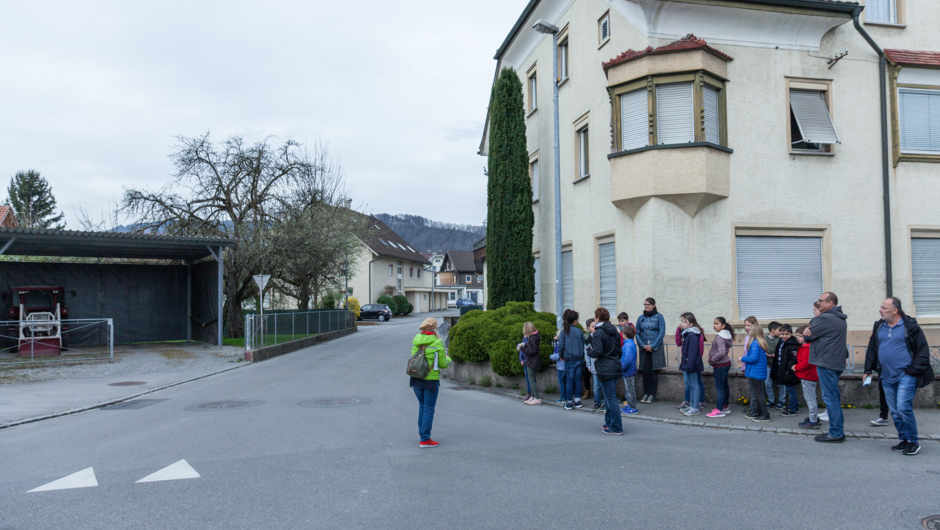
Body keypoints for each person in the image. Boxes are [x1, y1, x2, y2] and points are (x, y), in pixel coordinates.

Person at [863, 298, 936, 456]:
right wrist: (867, 369)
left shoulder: (910, 327)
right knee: (895, 411)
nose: (880, 310)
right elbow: (872, 349)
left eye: (884, 307)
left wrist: (911, 371)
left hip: (906, 375)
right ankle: (904, 439)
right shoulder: (879, 326)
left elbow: (922, 351)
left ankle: (913, 441)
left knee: (903, 408)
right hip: (886, 375)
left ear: (895, 310)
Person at [803, 292, 848, 443]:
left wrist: (806, 332)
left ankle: (835, 433)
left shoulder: (826, 318)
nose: (818, 303)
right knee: (833, 397)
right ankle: (838, 431)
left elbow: (808, 336)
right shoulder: (839, 318)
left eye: (821, 301)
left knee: (830, 398)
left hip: (826, 362)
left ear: (830, 303)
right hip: (835, 362)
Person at [411, 318, 452, 448]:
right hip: (430, 381)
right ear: (434, 329)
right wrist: (448, 358)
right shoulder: (437, 342)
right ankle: (425, 439)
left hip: (416, 378)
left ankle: (422, 434)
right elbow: (442, 364)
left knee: (422, 407)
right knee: (428, 408)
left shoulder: (416, 340)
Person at [589, 308, 624, 435]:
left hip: (604, 368)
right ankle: (609, 423)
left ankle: (616, 427)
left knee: (610, 399)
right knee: (610, 398)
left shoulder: (599, 333)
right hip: (615, 366)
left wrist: (589, 351)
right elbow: (620, 351)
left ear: (597, 318)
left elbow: (597, 351)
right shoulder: (615, 332)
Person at [636, 298, 666, 404]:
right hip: (644, 348)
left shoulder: (659, 317)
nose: (646, 306)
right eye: (645, 304)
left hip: (655, 348)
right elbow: (637, 332)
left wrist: (652, 346)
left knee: (653, 371)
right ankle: (646, 393)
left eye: (648, 304)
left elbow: (661, 332)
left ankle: (652, 394)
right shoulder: (641, 318)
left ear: (653, 305)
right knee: (645, 371)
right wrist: (643, 345)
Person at [741, 317, 770, 422]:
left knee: (759, 394)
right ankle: (758, 412)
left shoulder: (754, 343)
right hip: (758, 372)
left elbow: (753, 358)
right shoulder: (760, 342)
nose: (747, 329)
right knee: (759, 393)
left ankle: (765, 414)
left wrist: (742, 359)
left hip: (755, 372)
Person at [706, 317, 734, 418]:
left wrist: (712, 359)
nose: (714, 325)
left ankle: (719, 409)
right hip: (725, 364)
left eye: (717, 324)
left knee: (720, 387)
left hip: (720, 365)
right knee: (724, 386)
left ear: (723, 326)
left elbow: (721, 352)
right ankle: (724, 406)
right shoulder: (725, 335)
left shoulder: (720, 337)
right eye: (714, 323)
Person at [558, 310, 586, 410]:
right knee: (578, 379)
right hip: (579, 358)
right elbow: (584, 344)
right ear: (574, 321)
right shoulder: (579, 331)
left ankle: (569, 401)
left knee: (569, 379)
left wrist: (561, 355)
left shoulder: (563, 332)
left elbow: (561, 345)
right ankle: (577, 400)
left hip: (569, 359)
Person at [678, 313, 705, 416]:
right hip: (689, 363)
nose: (682, 324)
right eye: (683, 321)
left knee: (694, 385)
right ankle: (692, 405)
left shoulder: (692, 334)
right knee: (691, 385)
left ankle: (695, 408)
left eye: (685, 322)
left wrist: (689, 364)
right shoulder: (688, 333)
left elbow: (692, 351)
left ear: (691, 324)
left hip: (692, 364)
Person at [794, 324, 820, 429]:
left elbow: (806, 363)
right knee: (811, 397)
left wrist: (796, 367)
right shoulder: (811, 346)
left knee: (810, 399)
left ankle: (813, 420)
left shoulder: (806, 347)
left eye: (800, 336)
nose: (798, 338)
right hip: (812, 375)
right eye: (797, 336)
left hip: (807, 376)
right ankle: (813, 417)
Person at [774, 324, 801, 416]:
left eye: (787, 334)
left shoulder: (793, 344)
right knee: (789, 389)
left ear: (791, 334)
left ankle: (793, 408)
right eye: (782, 334)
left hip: (789, 371)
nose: (784, 336)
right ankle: (794, 406)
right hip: (782, 369)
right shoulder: (781, 341)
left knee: (790, 389)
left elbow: (793, 359)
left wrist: (788, 370)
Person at [519, 322, 542, 405]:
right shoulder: (534, 337)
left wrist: (522, 348)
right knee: (531, 379)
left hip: (532, 361)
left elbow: (532, 351)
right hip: (532, 361)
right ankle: (533, 396)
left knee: (531, 379)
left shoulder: (532, 338)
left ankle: (537, 398)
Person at [620, 325, 639, 415]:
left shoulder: (627, 345)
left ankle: (633, 407)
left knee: (630, 390)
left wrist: (622, 368)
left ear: (624, 334)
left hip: (628, 371)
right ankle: (630, 405)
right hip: (629, 370)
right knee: (628, 390)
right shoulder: (630, 344)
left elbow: (627, 360)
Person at [765, 321, 782, 408]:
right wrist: (765, 354)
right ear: (773, 330)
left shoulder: (780, 339)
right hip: (767, 364)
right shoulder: (764, 339)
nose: (781, 332)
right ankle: (771, 401)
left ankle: (782, 401)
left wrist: (776, 355)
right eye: (779, 330)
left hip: (778, 365)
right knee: (767, 383)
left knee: (781, 383)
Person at [583, 318, 599, 404]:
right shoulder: (588, 339)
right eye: (593, 326)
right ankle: (597, 402)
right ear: (588, 328)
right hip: (593, 365)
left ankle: (603, 401)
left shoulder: (600, 337)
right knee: (596, 385)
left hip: (602, 365)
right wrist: (588, 365)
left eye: (596, 326)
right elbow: (587, 354)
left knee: (602, 385)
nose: (595, 328)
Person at [549, 330, 567, 404]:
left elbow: (558, 356)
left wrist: (551, 356)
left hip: (561, 366)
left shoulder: (559, 344)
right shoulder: (567, 343)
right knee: (567, 382)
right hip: (567, 365)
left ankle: (563, 398)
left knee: (562, 382)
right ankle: (568, 397)